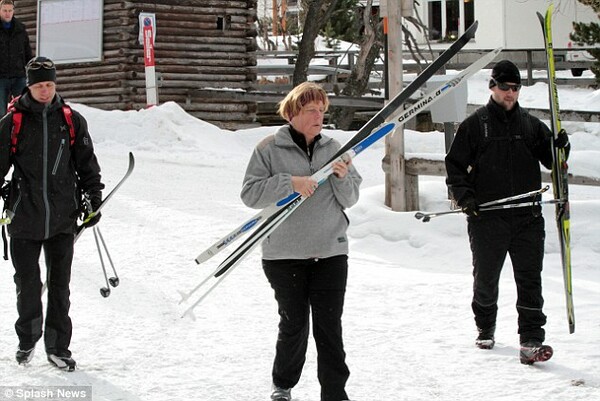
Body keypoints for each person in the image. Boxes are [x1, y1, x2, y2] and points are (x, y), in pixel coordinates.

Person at [241, 82, 362, 401]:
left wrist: (342, 177)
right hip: (284, 254)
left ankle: (335, 393)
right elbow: (250, 194)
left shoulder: (335, 147)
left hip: (331, 253)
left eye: (322, 110)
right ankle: (282, 384)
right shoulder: (268, 148)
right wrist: (290, 183)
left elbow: (350, 198)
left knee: (329, 328)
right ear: (293, 112)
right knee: (294, 323)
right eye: (311, 110)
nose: (318, 116)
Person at [445, 60, 570, 364]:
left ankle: (531, 339)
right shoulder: (476, 125)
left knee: (530, 279)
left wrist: (561, 148)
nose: (510, 93)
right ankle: (485, 325)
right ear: (492, 87)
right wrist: (466, 198)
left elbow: (554, 163)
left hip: (528, 217)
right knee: (486, 278)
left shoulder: (530, 125)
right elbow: (455, 166)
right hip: (488, 218)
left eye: (515, 88)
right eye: (504, 87)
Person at [0, 56, 104, 371]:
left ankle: (58, 347)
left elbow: (87, 163)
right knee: (28, 285)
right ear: (29, 86)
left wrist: (92, 197)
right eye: (39, 85)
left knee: (61, 287)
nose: (45, 90)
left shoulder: (71, 120)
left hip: (62, 217)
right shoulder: (12, 123)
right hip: (24, 218)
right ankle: (27, 339)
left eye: (50, 84)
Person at [0, 0, 32, 115]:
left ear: (13, 11)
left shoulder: (20, 29)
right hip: (1, 77)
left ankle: (21, 132)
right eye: (4, 10)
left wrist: (31, 67)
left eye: (10, 10)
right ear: (0, 11)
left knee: (23, 108)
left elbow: (27, 52)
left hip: (19, 76)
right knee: (1, 111)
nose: (7, 13)